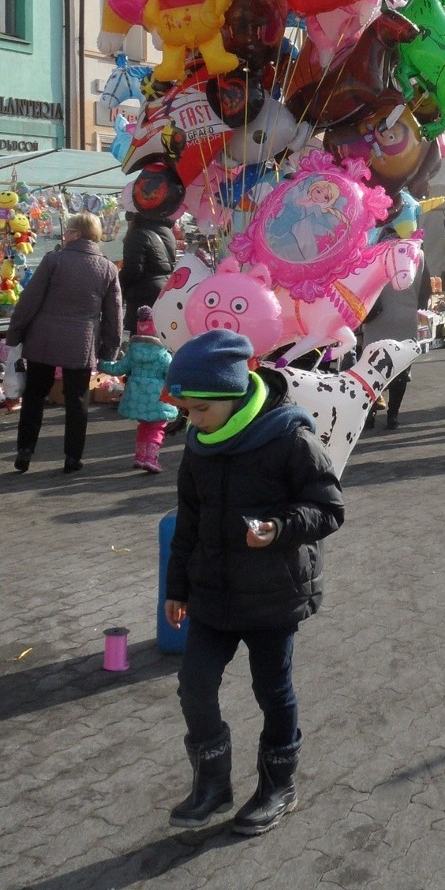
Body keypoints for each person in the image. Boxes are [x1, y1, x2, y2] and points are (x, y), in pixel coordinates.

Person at [163, 329, 344, 834]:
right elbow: (189, 522)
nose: (191, 421)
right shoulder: (199, 444)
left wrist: (281, 528)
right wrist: (176, 589)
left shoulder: (289, 437)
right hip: (212, 593)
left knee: (273, 690)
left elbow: (329, 508)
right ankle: (212, 784)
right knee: (194, 686)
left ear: (230, 396)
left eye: (199, 410)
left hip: (271, 595)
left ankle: (277, 784)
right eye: (187, 410)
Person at [6, 211, 122, 474]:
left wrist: (15, 334)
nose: (65, 235)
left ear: (78, 234)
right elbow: (115, 313)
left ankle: (25, 451)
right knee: (77, 399)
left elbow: (29, 301)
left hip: (43, 339)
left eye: (68, 230)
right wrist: (109, 350)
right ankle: (72, 458)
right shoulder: (107, 268)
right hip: (81, 342)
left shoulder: (54, 260)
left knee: (35, 394)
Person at [99, 304, 178, 474]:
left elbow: (118, 368)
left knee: (143, 426)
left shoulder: (133, 351)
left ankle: (139, 456)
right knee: (157, 427)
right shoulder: (164, 355)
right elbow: (172, 376)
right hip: (158, 398)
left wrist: (101, 363)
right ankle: (151, 458)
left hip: (137, 397)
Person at [361, 253, 428, 431]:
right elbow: (424, 291)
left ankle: (370, 414)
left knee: (372, 368)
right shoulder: (416, 253)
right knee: (401, 369)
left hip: (376, 317)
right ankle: (393, 415)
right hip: (405, 317)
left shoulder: (373, 252)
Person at [119, 211, 177, 334]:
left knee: (141, 337)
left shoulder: (137, 234)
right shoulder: (166, 231)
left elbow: (133, 270)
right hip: (164, 289)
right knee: (159, 334)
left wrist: (118, 281)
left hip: (143, 294)